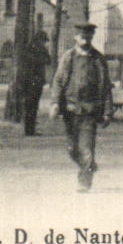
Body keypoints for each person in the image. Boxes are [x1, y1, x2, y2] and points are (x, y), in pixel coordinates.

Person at [53, 21, 114, 191]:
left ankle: (84, 181)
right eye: (82, 37)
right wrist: (54, 103)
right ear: (76, 37)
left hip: (90, 111)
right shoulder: (68, 57)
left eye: (88, 37)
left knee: (86, 148)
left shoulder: (98, 59)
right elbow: (58, 81)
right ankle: (89, 165)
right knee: (72, 149)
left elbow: (106, 86)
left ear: (92, 37)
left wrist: (108, 111)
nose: (85, 40)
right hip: (70, 110)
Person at [18, 30, 52, 136]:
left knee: (29, 105)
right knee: (33, 105)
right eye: (44, 41)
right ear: (40, 40)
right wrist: (46, 50)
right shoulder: (41, 49)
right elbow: (48, 60)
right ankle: (30, 130)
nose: (44, 43)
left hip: (26, 81)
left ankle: (29, 129)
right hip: (35, 81)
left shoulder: (27, 48)